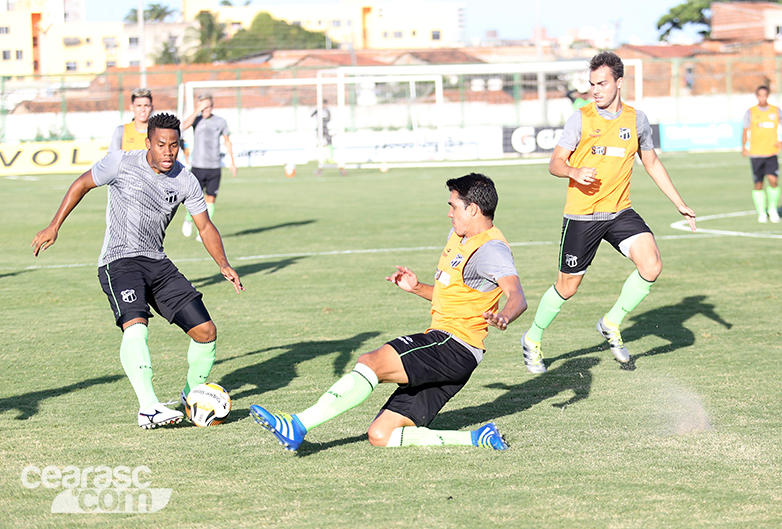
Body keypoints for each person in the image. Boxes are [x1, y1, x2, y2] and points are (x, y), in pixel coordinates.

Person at [250, 173, 527, 451]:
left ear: (473, 209)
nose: (448, 213)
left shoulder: (491, 249)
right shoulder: (459, 237)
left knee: (372, 362)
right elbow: (455, 296)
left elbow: (517, 296)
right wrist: (416, 287)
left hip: (452, 346)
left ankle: (297, 424)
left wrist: (505, 315)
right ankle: (478, 438)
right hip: (456, 353)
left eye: (453, 206)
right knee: (381, 435)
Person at [31, 113, 245, 429]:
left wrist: (223, 264)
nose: (169, 152)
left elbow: (204, 224)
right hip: (119, 261)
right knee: (136, 326)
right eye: (161, 145)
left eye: (174, 145)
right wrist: (54, 225)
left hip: (157, 263)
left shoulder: (186, 180)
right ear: (148, 143)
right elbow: (82, 184)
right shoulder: (120, 163)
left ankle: (189, 397)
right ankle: (149, 407)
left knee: (206, 332)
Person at [520, 51, 696, 374]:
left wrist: (678, 202)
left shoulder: (636, 120)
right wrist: (573, 172)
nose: (595, 90)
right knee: (568, 287)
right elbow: (555, 163)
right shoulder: (581, 118)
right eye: (591, 84)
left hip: (618, 212)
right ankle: (532, 338)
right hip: (582, 215)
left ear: (618, 82)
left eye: (602, 83)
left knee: (652, 265)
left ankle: (610, 322)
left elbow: (652, 162)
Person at [181, 94, 237, 241]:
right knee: (193, 199)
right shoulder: (196, 120)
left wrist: (232, 161)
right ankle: (188, 219)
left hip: (214, 167)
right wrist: (197, 110)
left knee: (210, 199)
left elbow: (227, 141)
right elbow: (184, 125)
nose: (205, 109)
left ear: (212, 106)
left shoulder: (220, 121)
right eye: (202, 106)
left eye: (208, 106)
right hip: (198, 166)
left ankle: (203, 231)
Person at [742, 85, 782, 223]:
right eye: (760, 95)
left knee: (773, 181)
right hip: (756, 154)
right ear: (757, 96)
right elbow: (744, 131)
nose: (762, 98)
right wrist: (744, 147)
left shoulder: (776, 111)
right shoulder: (751, 112)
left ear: (768, 96)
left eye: (764, 95)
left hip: (771, 153)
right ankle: (761, 212)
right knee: (758, 184)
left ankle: (772, 209)